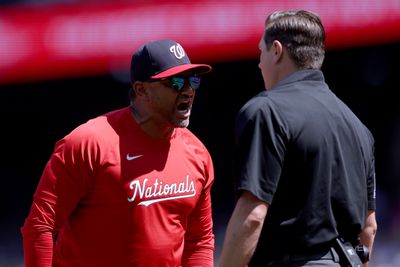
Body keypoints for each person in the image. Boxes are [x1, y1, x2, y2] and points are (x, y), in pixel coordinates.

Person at [21, 39, 215, 267]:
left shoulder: (197, 153)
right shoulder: (87, 144)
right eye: (176, 82)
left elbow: (199, 240)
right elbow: (40, 226)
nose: (188, 91)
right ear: (141, 90)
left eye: (193, 80)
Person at [219, 10, 377, 267]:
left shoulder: (266, 111)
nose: (259, 63)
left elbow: (253, 216)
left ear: (277, 51)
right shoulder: (359, 128)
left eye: (261, 52)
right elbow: (368, 228)